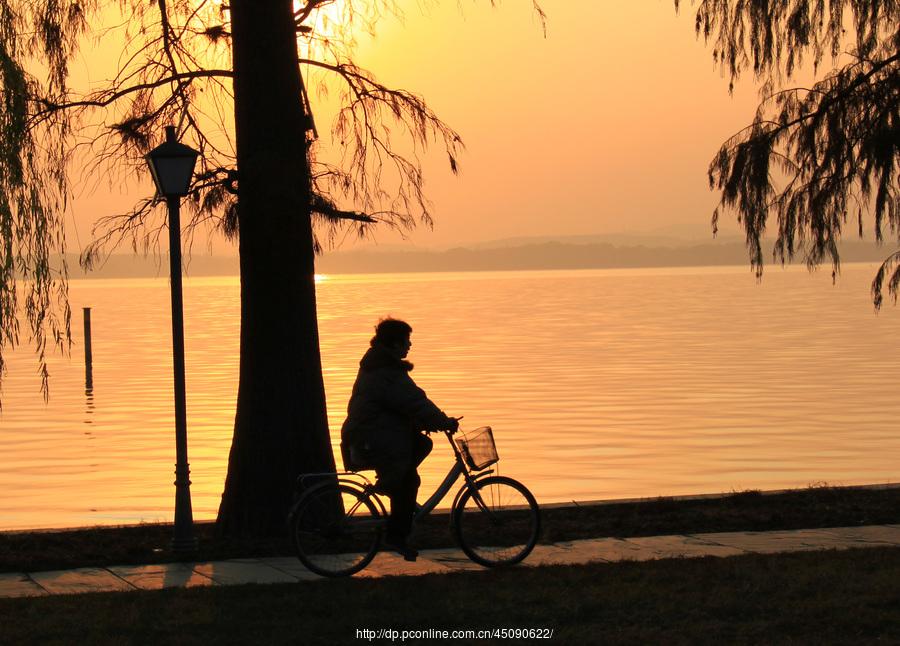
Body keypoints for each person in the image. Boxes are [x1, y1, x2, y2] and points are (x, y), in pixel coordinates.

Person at [340, 318, 458, 561]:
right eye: (406, 340)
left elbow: (406, 403)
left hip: (374, 436)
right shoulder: (386, 372)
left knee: (421, 445)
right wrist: (442, 421)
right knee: (409, 482)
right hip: (371, 440)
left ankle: (391, 481)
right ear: (394, 343)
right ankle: (396, 534)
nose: (410, 345)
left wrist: (427, 422)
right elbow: (413, 400)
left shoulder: (381, 365)